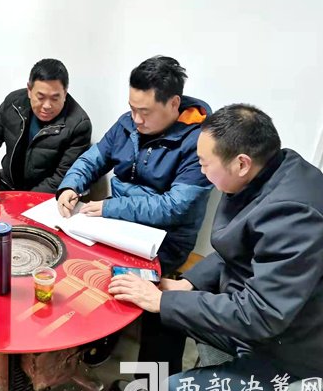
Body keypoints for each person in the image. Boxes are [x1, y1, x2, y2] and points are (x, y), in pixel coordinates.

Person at [109, 104, 323, 391]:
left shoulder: (296, 215)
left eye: (204, 163)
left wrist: (163, 300)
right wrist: (186, 285)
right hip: (257, 318)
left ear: (241, 163)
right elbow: (237, 251)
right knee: (161, 314)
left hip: (288, 356)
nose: (201, 171)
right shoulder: (268, 170)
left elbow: (260, 315)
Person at [57, 56, 213, 366]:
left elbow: (173, 207)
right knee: (69, 254)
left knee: (113, 276)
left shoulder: (200, 142)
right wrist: (70, 186)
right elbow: (94, 158)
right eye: (132, 108)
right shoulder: (127, 124)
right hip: (118, 224)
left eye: (145, 112)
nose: (136, 119)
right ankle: (82, 333)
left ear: (173, 104)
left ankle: (108, 337)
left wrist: (111, 207)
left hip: (164, 238)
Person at [0, 58, 92, 193]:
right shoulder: (14, 102)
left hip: (45, 195)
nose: (47, 105)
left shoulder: (79, 124)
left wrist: (25, 201)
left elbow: (61, 178)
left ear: (65, 93)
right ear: (29, 90)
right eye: (40, 97)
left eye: (55, 98)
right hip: (7, 184)